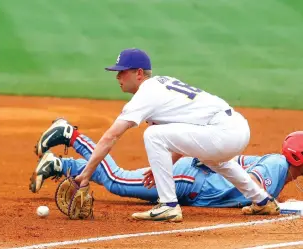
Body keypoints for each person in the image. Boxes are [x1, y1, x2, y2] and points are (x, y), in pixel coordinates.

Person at [34, 48, 278, 222]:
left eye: (122, 72)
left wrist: (84, 176)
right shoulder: (162, 84)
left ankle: (169, 206)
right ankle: (262, 201)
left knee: (154, 135)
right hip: (232, 129)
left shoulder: (146, 93)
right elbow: (188, 134)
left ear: (139, 73)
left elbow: (110, 136)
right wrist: (166, 163)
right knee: (216, 160)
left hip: (223, 132)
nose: (117, 76)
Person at [31, 120, 303, 210]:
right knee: (117, 180)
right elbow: (254, 182)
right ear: (298, 156)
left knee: (119, 179)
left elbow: (235, 166)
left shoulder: (278, 168)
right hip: (187, 179)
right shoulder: (276, 166)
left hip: (192, 179)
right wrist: (262, 201)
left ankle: (60, 165)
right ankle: (71, 134)